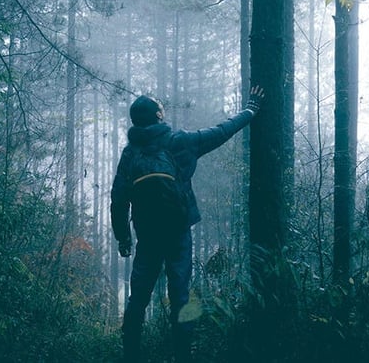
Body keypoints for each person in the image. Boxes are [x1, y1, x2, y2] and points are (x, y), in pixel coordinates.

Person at [110, 85, 265, 363]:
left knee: (138, 298)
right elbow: (222, 131)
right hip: (178, 232)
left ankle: (131, 355)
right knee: (181, 296)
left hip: (147, 236)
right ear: (158, 116)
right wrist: (250, 110)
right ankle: (182, 355)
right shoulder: (178, 141)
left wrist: (123, 238)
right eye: (161, 108)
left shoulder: (130, 153)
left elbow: (118, 199)